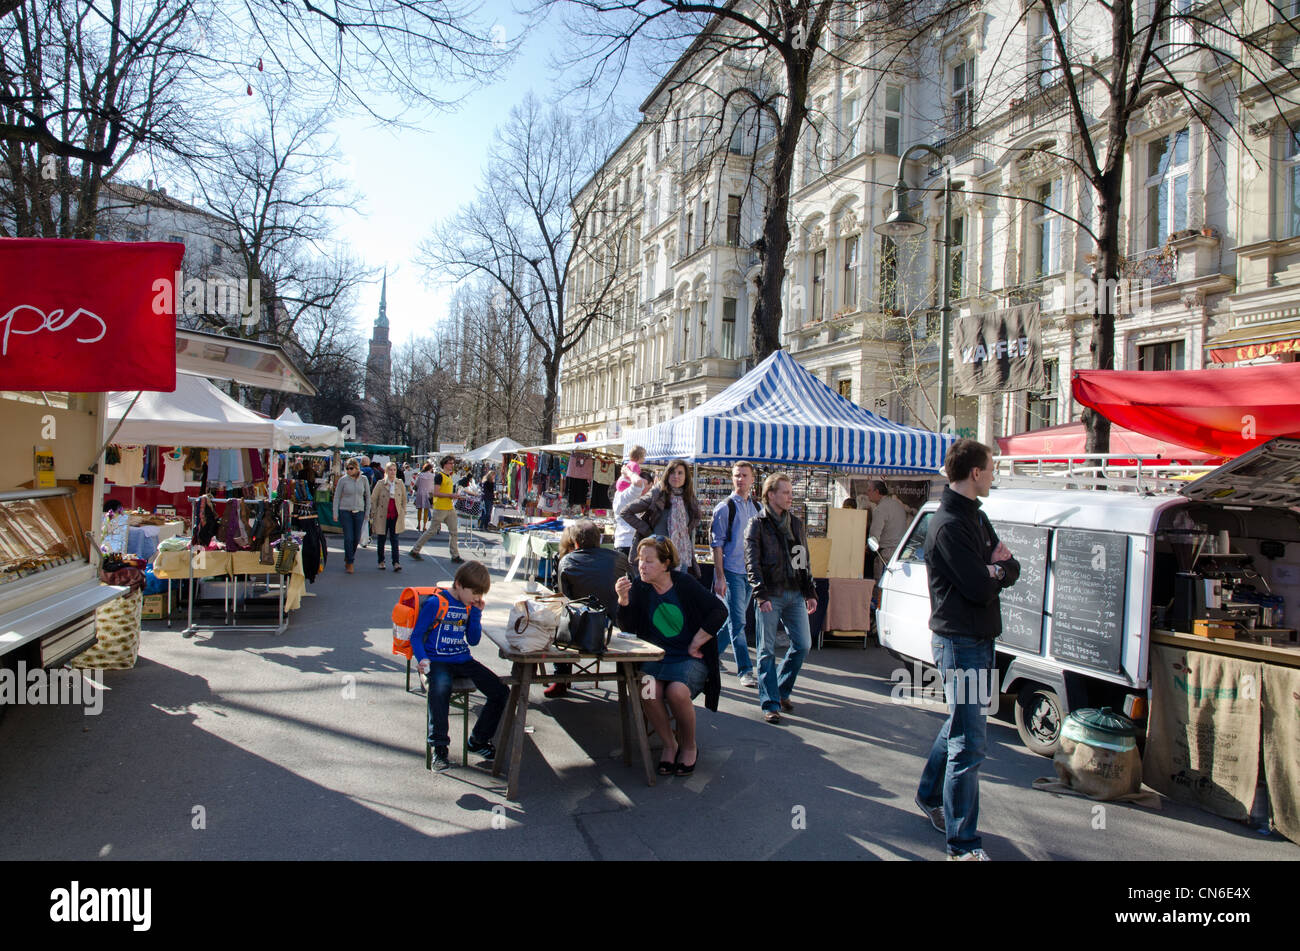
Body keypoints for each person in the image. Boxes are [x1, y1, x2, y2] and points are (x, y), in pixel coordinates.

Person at [915, 439, 1019, 861]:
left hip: (979, 637)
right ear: (975, 473)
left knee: (961, 725)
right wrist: (993, 569)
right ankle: (963, 845)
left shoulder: (977, 517)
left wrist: (994, 569)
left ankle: (928, 794)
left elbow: (1012, 568)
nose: (994, 475)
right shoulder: (948, 525)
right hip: (960, 641)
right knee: (970, 742)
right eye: (991, 469)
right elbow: (979, 586)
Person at [614, 536, 726, 776]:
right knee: (646, 688)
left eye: (649, 561)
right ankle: (669, 744)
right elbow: (628, 628)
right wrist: (623, 600)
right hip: (656, 659)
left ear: (666, 564)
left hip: (688, 658)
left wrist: (697, 641)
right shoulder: (642, 588)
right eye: (640, 561)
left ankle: (689, 746)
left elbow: (719, 610)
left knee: (676, 692)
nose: (642, 566)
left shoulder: (684, 584)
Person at [411, 561, 510, 772]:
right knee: (440, 691)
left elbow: (473, 640)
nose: (478, 597)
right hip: (437, 661)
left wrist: (476, 614)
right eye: (474, 592)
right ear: (458, 584)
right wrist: (421, 658)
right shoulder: (435, 603)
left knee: (500, 691)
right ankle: (439, 749)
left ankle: (478, 740)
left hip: (462, 659)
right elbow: (417, 635)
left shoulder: (468, 606)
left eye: (481, 593)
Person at [745, 472, 817, 724]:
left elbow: (802, 559)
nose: (790, 497)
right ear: (771, 494)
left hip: (795, 593)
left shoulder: (795, 523)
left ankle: (781, 690)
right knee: (765, 650)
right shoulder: (758, 524)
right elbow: (752, 563)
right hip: (770, 595)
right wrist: (760, 594)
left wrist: (809, 591)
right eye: (785, 492)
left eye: (790, 492)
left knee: (803, 644)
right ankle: (770, 703)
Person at [545, 520, 630, 699]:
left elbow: (564, 599)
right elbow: (633, 585)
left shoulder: (566, 561)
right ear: (598, 539)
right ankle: (629, 681)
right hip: (616, 621)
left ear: (575, 542)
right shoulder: (619, 558)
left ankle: (560, 678)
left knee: (559, 617)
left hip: (581, 624)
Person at [709, 461, 762, 688]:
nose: (740, 479)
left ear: (752, 479)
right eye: (736, 475)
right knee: (739, 622)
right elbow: (716, 545)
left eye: (744, 475)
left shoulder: (757, 508)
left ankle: (710, 652)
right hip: (731, 571)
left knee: (733, 620)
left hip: (750, 573)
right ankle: (745, 670)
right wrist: (720, 576)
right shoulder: (724, 507)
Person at [618, 458, 702, 576]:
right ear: (667, 475)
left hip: (681, 557)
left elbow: (697, 517)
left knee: (677, 592)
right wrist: (648, 531)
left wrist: (685, 531)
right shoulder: (657, 494)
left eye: (680, 473)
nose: (676, 476)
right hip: (657, 557)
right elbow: (626, 512)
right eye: (672, 472)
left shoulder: (689, 498)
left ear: (686, 477)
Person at [409, 455, 464, 563]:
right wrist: (451, 496)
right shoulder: (439, 476)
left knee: (454, 531)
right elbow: (436, 493)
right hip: (440, 508)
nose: (452, 465)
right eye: (450, 463)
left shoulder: (449, 476)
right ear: (445, 464)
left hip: (449, 507)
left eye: (453, 463)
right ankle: (415, 550)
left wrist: (454, 495)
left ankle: (455, 555)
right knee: (431, 531)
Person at [332, 458, 371, 574]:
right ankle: (350, 562)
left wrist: (367, 512)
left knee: (356, 538)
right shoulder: (343, 480)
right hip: (345, 511)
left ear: (357, 468)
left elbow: (368, 497)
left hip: (359, 511)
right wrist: (335, 512)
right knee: (348, 537)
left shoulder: (364, 480)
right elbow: (337, 496)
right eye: (347, 469)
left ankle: (349, 555)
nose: (348, 471)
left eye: (351, 468)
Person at [369, 462, 407, 571]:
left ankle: (396, 562)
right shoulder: (381, 483)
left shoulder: (399, 483)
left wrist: (403, 511)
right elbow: (373, 498)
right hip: (383, 515)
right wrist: (375, 511)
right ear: (386, 471)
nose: (392, 472)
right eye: (390, 470)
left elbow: (404, 498)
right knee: (382, 539)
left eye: (394, 470)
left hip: (395, 515)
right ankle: (381, 561)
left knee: (395, 539)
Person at [867, 479, 909, 579]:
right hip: (899, 552)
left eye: (869, 490)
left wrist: (868, 547)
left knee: (881, 587)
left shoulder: (880, 509)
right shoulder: (897, 505)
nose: (867, 493)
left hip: (885, 555)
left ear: (877, 492)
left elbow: (874, 536)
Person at [612, 467, 652, 564]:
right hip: (626, 543)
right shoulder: (626, 496)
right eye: (641, 484)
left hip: (632, 544)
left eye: (645, 485)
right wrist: (628, 472)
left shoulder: (646, 500)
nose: (643, 488)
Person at [413, 461, 437, 533]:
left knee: (419, 509)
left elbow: (417, 484)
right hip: (429, 494)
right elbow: (433, 486)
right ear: (430, 469)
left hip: (420, 493)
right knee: (426, 510)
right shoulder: (433, 476)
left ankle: (418, 524)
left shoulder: (420, 475)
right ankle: (424, 526)